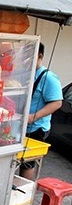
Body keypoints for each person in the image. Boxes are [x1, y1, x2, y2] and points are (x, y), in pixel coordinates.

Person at [20, 42, 63, 180]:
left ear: (40, 56)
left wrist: (34, 116)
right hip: (22, 126)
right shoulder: (27, 74)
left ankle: (24, 193)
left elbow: (57, 103)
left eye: (29, 56)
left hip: (36, 128)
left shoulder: (48, 77)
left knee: (27, 163)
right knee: (18, 160)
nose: (25, 60)